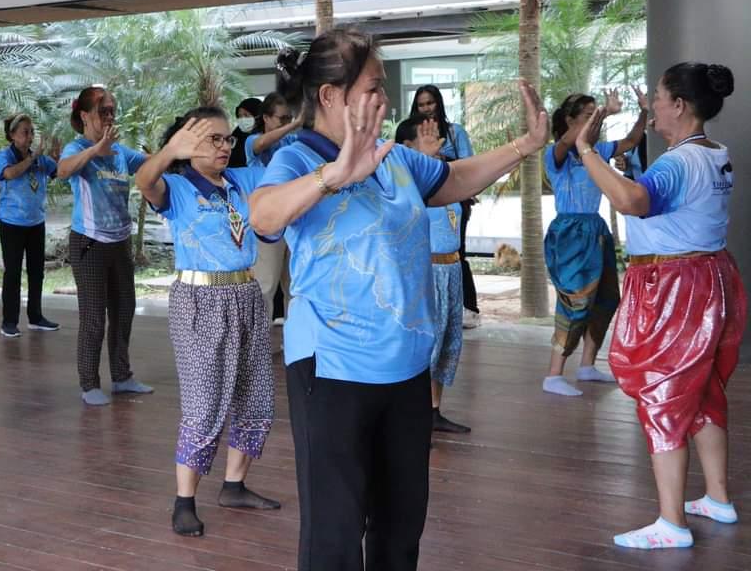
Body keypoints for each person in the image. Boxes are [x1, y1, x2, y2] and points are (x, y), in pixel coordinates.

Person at [248, 29, 549, 571]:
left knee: (400, 525)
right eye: (373, 88)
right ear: (330, 96)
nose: (385, 101)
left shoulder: (394, 159)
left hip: (407, 366)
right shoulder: (296, 158)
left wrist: (525, 145)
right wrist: (334, 175)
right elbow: (263, 216)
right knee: (335, 531)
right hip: (333, 368)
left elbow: (453, 178)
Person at [573, 62, 744, 550]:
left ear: (679, 105)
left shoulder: (678, 163)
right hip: (709, 275)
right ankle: (717, 498)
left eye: (658, 98)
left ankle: (672, 523)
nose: (652, 107)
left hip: (675, 286)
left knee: (663, 394)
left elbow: (632, 201)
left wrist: (587, 150)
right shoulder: (714, 153)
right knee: (704, 390)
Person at [136, 107, 278, 537]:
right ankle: (184, 501)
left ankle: (234, 485)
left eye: (227, 138)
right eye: (213, 139)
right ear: (187, 142)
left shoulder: (241, 181)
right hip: (200, 300)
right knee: (203, 405)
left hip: (246, 294)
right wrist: (169, 152)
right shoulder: (177, 187)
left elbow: (285, 176)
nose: (224, 146)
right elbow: (144, 180)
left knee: (256, 398)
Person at [541, 88, 648, 397]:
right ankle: (553, 374)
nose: (594, 122)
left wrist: (643, 111)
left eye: (595, 115)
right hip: (570, 232)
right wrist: (601, 116)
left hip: (596, 229)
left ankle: (587, 366)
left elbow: (631, 141)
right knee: (575, 302)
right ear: (570, 120)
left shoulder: (596, 150)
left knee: (606, 298)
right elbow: (567, 142)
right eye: (588, 116)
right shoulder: (556, 153)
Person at [58, 85, 154, 406]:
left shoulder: (121, 153)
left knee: (124, 310)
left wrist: (177, 151)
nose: (110, 116)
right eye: (103, 111)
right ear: (85, 116)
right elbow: (63, 171)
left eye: (113, 110)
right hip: (89, 242)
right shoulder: (76, 147)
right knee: (94, 317)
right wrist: (95, 150)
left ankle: (122, 377)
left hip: (119, 241)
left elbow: (151, 163)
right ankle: (89, 384)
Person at [396, 115, 471, 435]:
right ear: (406, 147)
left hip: (451, 268)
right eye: (426, 136)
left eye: (437, 135)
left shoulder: (443, 177)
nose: (437, 142)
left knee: (449, 341)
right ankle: (413, 417)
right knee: (427, 345)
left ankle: (434, 410)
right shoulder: (406, 183)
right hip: (428, 271)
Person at [410, 84, 481, 329]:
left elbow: (469, 164)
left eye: (430, 103)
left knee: (456, 252)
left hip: (453, 200)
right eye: (421, 104)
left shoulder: (454, 132)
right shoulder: (412, 133)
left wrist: (441, 159)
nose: (426, 108)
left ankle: (468, 308)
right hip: (424, 201)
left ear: (438, 103)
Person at [0, 113, 60, 338]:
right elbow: (9, 174)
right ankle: (9, 322)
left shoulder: (40, 158)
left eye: (32, 132)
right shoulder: (4, 156)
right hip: (11, 224)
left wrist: (59, 156)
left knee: (36, 272)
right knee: (13, 273)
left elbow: (59, 171)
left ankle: (36, 317)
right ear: (12, 135)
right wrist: (33, 159)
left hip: (36, 223)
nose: (30, 136)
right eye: (25, 132)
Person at [247, 90, 304, 333]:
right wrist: (295, 124)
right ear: (266, 118)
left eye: (289, 117)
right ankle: (258, 343)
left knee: (296, 286)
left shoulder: (292, 142)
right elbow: (261, 144)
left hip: (295, 219)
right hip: (268, 222)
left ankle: (296, 342)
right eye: (282, 118)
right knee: (265, 284)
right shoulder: (252, 141)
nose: (287, 123)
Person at [228, 97, 262, 168]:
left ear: (258, 116)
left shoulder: (263, 138)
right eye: (239, 116)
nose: (242, 119)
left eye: (246, 115)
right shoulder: (237, 133)